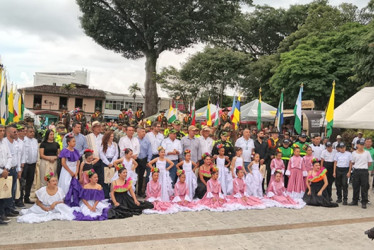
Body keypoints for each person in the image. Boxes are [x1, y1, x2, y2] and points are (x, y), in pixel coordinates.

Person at [3, 124, 22, 217]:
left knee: (13, 189)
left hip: (14, 169)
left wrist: (19, 169)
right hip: (6, 170)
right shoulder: (4, 142)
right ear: (8, 133)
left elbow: (17, 157)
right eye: (14, 132)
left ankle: (11, 207)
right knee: (5, 189)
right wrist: (6, 168)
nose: (16, 133)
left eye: (16, 132)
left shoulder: (16, 143)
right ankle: (5, 210)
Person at [349, 138, 373, 209]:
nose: (362, 146)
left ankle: (364, 202)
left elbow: (369, 163)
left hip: (364, 171)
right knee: (355, 186)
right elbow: (352, 162)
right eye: (360, 145)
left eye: (363, 145)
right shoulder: (353, 153)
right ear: (357, 145)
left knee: (364, 187)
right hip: (356, 171)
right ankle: (355, 201)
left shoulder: (367, 153)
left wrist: (364, 167)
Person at [21, 126, 38, 204]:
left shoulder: (35, 141)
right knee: (22, 182)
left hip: (32, 164)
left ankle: (27, 197)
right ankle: (20, 199)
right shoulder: (23, 140)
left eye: (33, 132)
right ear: (26, 132)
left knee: (30, 181)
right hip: (25, 164)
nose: (32, 133)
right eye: (30, 132)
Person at [99, 131, 119, 198]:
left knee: (112, 179)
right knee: (105, 179)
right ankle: (106, 194)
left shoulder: (115, 144)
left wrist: (112, 162)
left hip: (113, 161)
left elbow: (116, 154)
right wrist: (107, 163)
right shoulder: (103, 144)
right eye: (110, 136)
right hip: (105, 161)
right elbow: (101, 154)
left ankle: (112, 194)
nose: (112, 138)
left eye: (112, 136)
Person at [0, 124, 12, 224]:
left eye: (3, 130)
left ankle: (2, 214)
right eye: (0, 131)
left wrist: (7, 168)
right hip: (1, 171)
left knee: (3, 194)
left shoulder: (4, 142)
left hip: (5, 170)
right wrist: (1, 171)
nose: (2, 133)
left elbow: (9, 156)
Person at [136, 127, 152, 196]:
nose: (144, 133)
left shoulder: (147, 141)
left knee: (142, 176)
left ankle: (140, 192)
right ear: (138, 133)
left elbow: (149, 151)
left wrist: (148, 160)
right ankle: (132, 191)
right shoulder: (135, 140)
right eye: (142, 131)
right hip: (136, 159)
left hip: (143, 159)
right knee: (134, 176)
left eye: (144, 131)